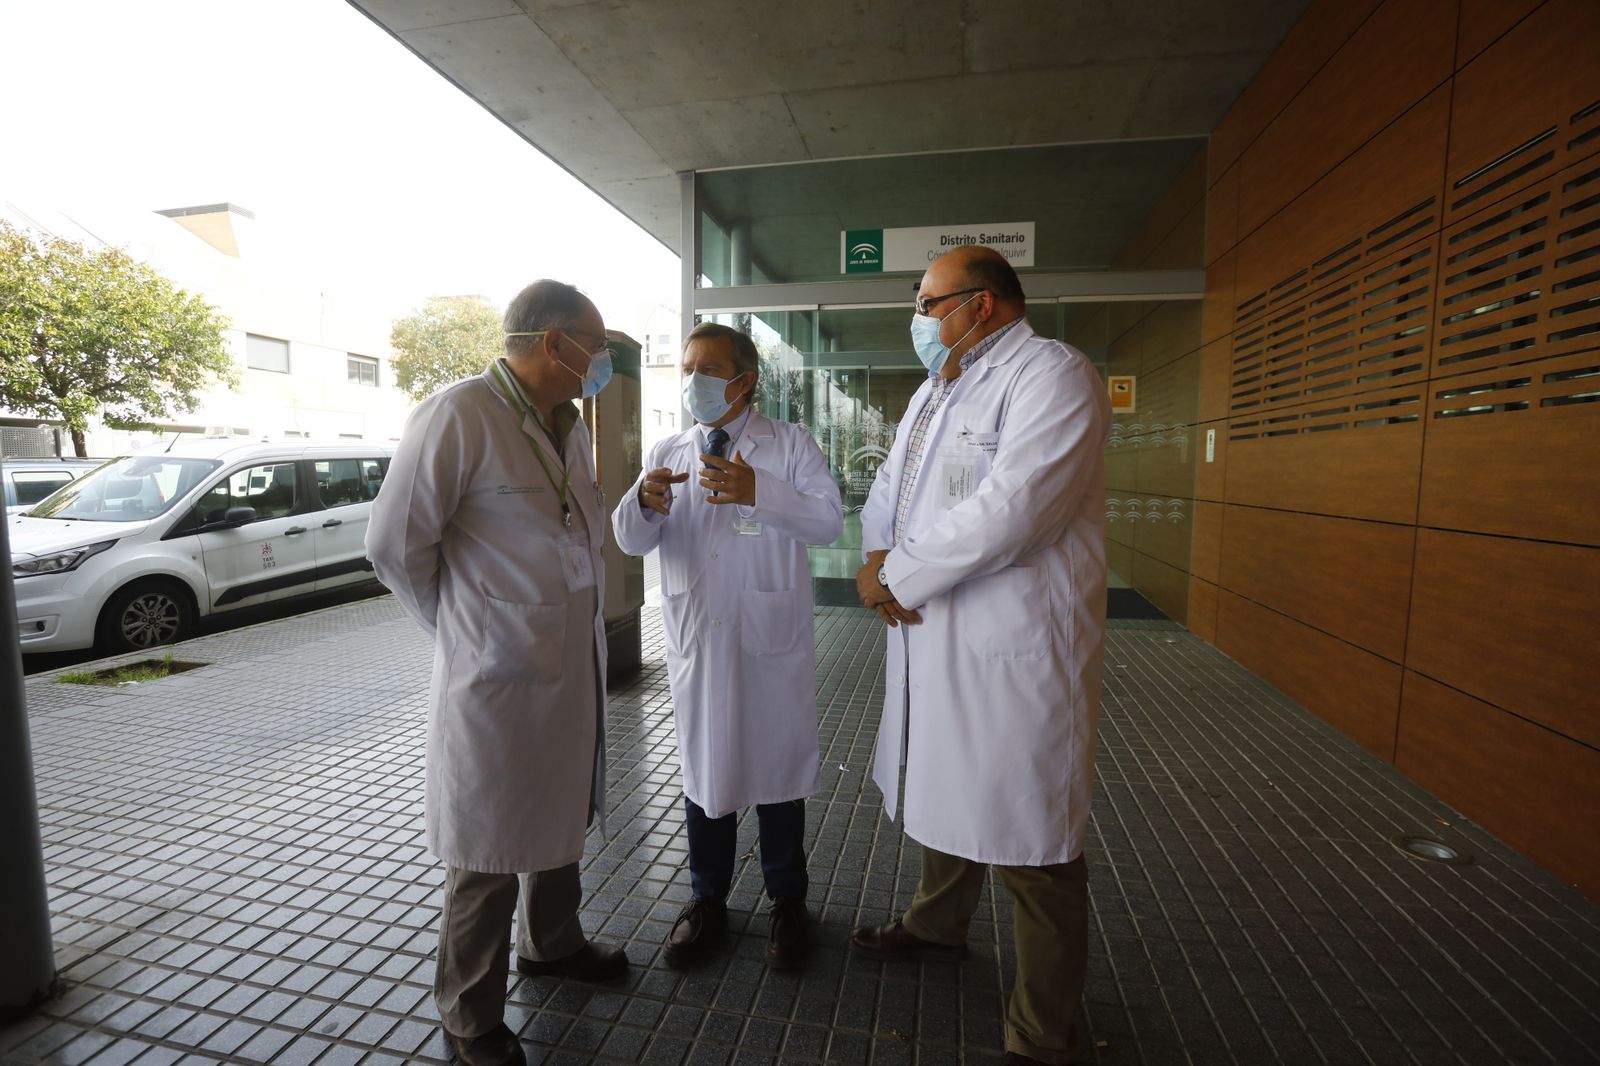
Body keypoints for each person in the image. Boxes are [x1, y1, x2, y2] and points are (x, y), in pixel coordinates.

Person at [850, 246, 1111, 1066]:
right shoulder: (937, 389)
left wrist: (898, 574)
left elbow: (1017, 508)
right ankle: (937, 925)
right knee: (944, 779)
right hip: (934, 625)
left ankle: (1043, 1032)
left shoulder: (1053, 375)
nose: (920, 320)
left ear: (983, 304)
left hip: (1013, 642)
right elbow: (889, 488)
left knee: (1034, 838)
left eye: (928, 304)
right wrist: (877, 559)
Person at [366, 280, 625, 1066]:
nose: (601, 360)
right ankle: (469, 1012)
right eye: (596, 345)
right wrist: (462, 627)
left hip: (567, 663)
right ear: (555, 343)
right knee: (487, 845)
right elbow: (393, 545)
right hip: (495, 676)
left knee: (560, 811)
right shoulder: (459, 415)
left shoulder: (568, 425)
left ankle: (552, 942)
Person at [611, 322, 842, 970]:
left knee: (776, 771)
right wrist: (643, 502)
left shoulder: (788, 445)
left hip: (767, 639)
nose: (694, 381)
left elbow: (828, 520)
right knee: (705, 769)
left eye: (708, 370)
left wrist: (758, 492)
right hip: (699, 639)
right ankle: (706, 899)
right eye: (688, 368)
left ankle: (787, 901)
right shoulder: (669, 448)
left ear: (745, 381)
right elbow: (629, 539)